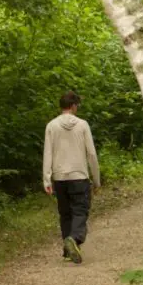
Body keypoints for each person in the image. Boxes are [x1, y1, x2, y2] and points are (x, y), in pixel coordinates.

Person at [43, 91, 101, 264]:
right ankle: (74, 239)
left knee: (66, 213)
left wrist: (47, 179)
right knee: (80, 210)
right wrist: (96, 179)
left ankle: (68, 251)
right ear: (74, 106)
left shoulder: (51, 126)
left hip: (59, 178)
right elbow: (91, 153)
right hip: (79, 175)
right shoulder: (83, 125)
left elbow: (48, 153)